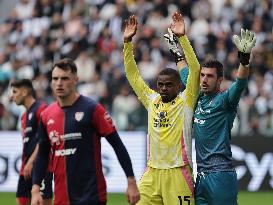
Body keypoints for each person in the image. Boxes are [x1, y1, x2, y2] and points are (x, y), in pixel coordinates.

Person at [164, 28, 256, 205]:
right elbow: (185, 73)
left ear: (219, 80)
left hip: (221, 176)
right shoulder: (197, 95)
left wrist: (244, 60)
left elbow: (241, 83)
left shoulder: (225, 101)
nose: (204, 80)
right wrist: (176, 50)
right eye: (203, 75)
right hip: (201, 177)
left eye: (210, 76)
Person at [30, 58, 140, 205]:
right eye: (55, 79)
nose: (59, 83)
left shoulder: (92, 109)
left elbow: (117, 145)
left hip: (91, 196)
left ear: (76, 80)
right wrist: (36, 188)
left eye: (64, 78)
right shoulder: (46, 115)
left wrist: (131, 181)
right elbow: (43, 154)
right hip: (62, 198)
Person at [123, 12, 200, 205]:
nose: (163, 88)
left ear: (178, 86)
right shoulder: (152, 100)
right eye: (160, 84)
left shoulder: (186, 101)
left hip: (178, 172)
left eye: (168, 85)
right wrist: (127, 43)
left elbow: (196, 70)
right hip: (152, 172)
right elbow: (133, 76)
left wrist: (182, 38)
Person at [10, 79, 53, 205]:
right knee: (21, 199)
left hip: (41, 166)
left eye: (14, 92)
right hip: (26, 167)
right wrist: (25, 163)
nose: (12, 96)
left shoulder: (42, 109)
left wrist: (31, 161)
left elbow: (45, 141)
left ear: (24, 92)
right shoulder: (23, 116)